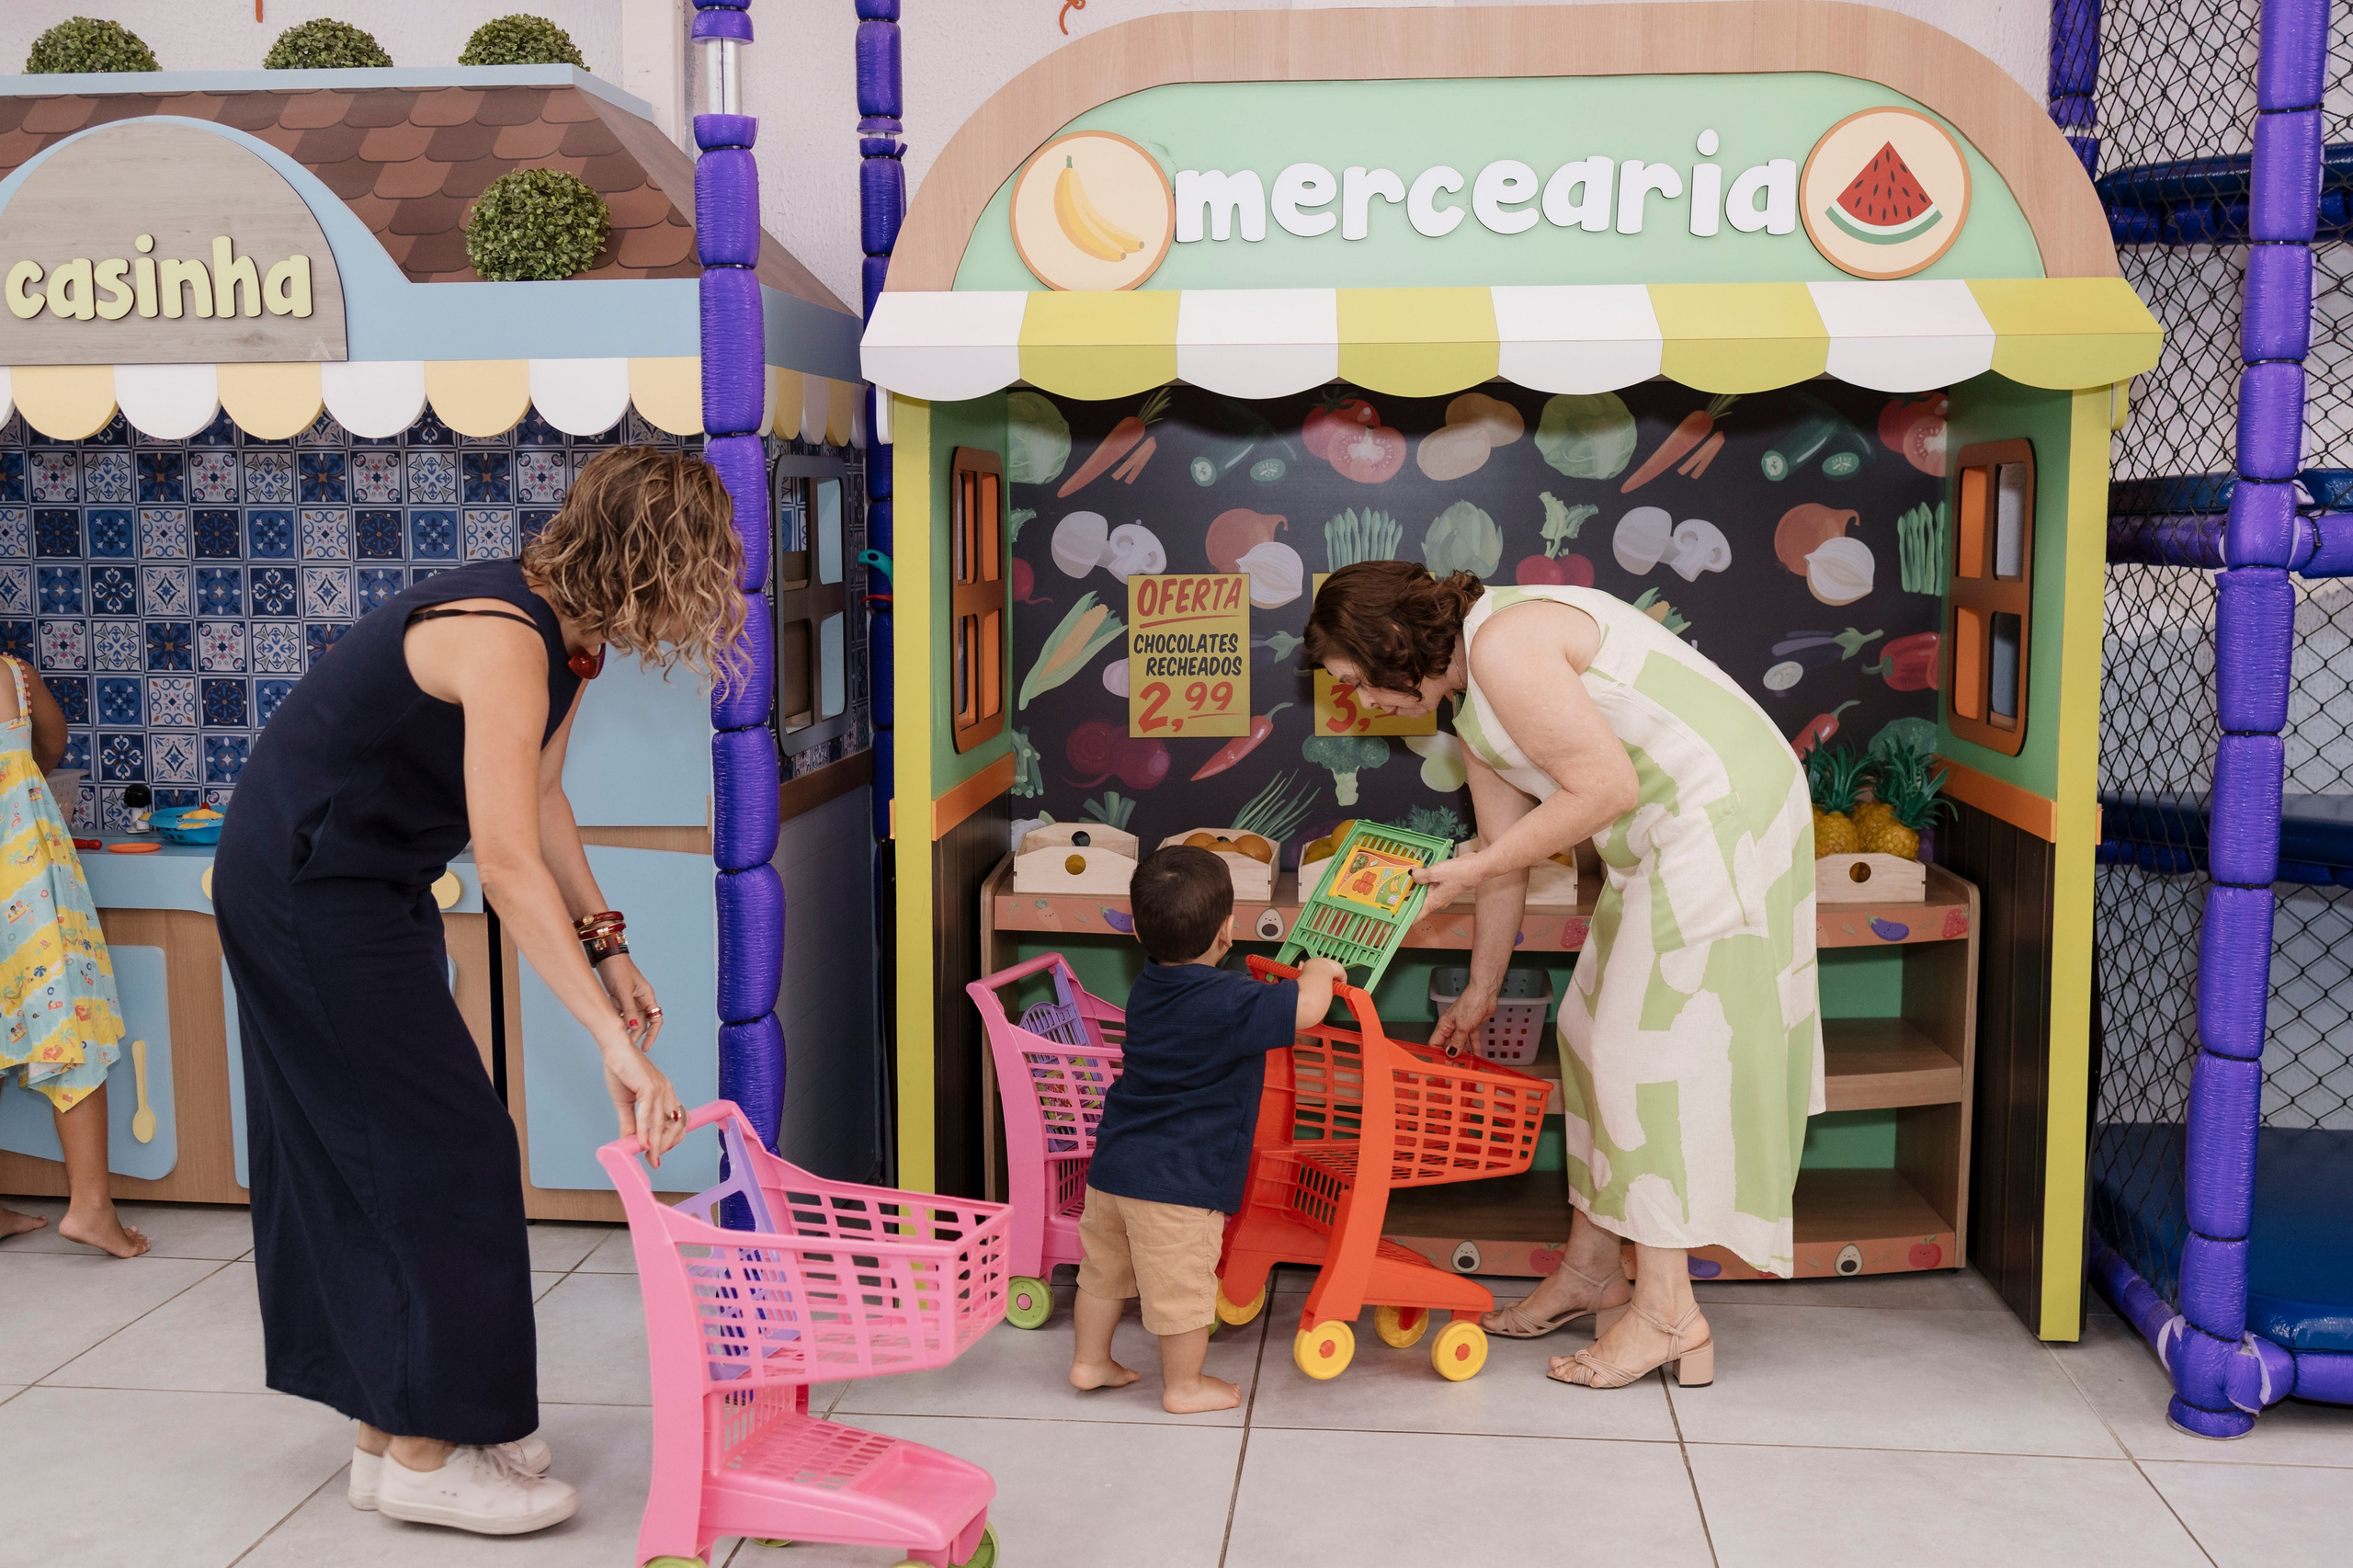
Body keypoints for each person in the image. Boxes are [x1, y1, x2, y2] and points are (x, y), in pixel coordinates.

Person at [212, 446, 744, 1535]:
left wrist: (610, 945)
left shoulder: (563, 638)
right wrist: (611, 1040)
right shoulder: (504, 640)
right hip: (307, 889)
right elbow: (502, 864)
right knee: (437, 1149)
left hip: (365, 883)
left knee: (401, 1143)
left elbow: (542, 794)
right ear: (652, 565)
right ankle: (422, 1447)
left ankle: (392, 1428)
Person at [1303, 561, 1822, 1391]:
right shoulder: (1475, 712)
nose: (1358, 701)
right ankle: (1592, 1273)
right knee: (1586, 1032)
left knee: (1644, 1061)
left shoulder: (1507, 644)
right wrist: (1479, 993)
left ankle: (1667, 1317)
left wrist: (1473, 868)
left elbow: (1602, 787)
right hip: (1658, 841)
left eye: (1357, 679)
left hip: (1720, 824)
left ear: (1394, 642)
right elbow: (1508, 865)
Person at [1069, 845, 1345, 1413]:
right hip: (1178, 1180)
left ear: (1140, 937)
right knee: (1182, 1289)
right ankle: (1184, 1386)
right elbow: (1307, 1009)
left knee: (1102, 1272)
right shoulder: (1231, 1000)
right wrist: (1318, 970)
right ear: (1228, 931)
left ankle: (1090, 1361)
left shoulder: (1147, 987)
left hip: (1115, 1167)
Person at [0, 655, 146, 1258]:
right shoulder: (12, 673)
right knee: (67, 1021)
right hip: (20, 877)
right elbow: (51, 751)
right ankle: (90, 1207)